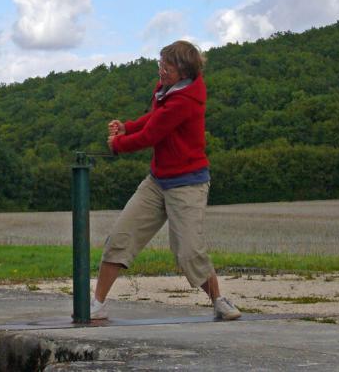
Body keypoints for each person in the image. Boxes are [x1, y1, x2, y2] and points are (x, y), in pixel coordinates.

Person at [92, 40, 241, 321]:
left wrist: (117, 144)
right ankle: (96, 304)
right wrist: (127, 126)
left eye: (167, 68)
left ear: (184, 72)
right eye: (160, 64)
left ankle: (219, 301)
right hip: (158, 180)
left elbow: (151, 135)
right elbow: (152, 120)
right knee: (121, 237)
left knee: (188, 252)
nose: (161, 71)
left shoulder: (185, 100)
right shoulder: (167, 91)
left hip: (187, 184)